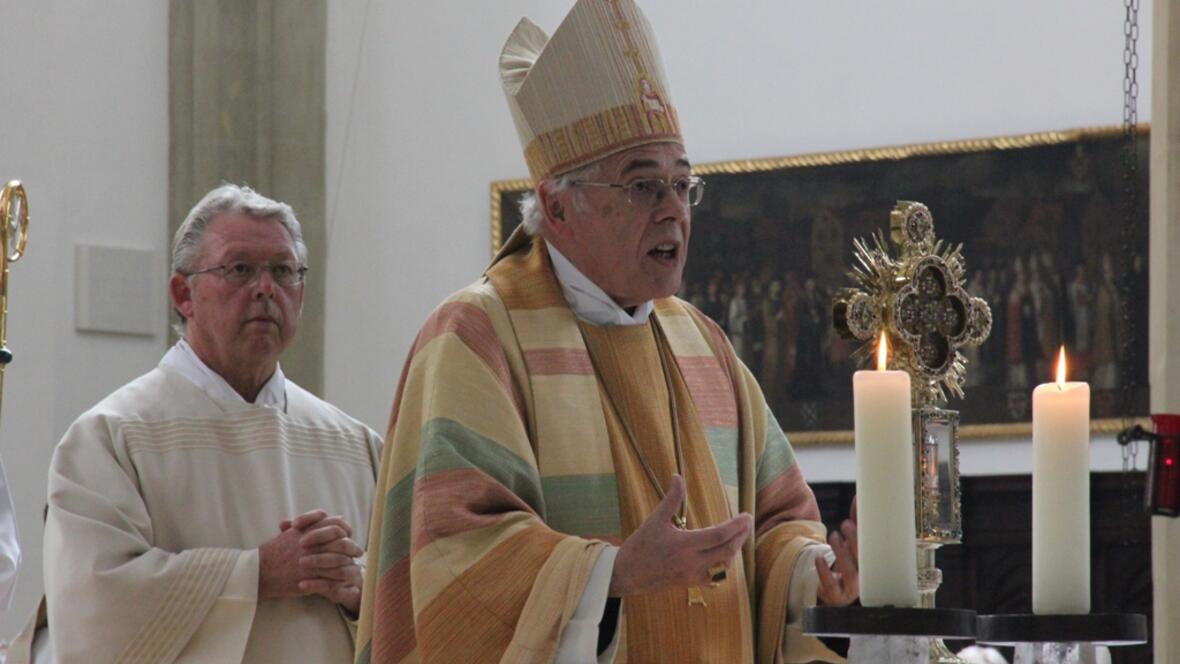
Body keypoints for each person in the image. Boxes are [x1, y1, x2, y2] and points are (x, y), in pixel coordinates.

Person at [354, 2, 858, 662]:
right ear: (559, 208)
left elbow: (775, 526)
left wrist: (815, 574)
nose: (674, 210)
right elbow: (455, 559)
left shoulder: (703, 346)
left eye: (683, 185)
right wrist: (612, 575)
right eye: (644, 187)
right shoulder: (478, 334)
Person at [43, 185, 382, 663]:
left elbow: (418, 600)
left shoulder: (355, 446)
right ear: (183, 294)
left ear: (301, 294)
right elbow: (94, 612)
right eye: (239, 269)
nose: (265, 288)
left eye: (283, 271)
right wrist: (257, 574)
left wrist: (359, 588)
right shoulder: (111, 437)